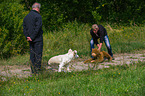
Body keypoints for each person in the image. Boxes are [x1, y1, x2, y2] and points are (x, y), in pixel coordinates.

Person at [23, 2, 43, 74]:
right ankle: (37, 71)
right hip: (37, 39)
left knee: (32, 55)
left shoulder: (26, 17)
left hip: (30, 40)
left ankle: (33, 71)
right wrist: (32, 37)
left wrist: (27, 37)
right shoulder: (38, 16)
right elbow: (38, 28)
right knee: (38, 54)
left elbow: (24, 28)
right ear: (37, 8)